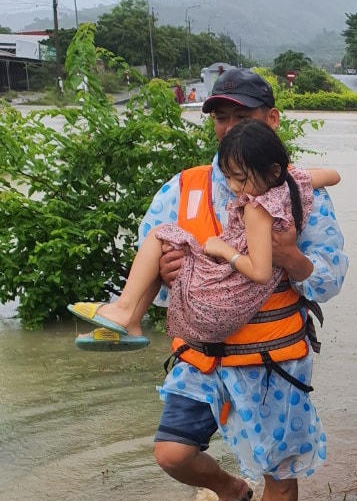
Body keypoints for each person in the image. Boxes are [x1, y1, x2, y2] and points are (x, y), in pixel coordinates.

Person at [81, 68, 347, 501]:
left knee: (280, 469)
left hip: (272, 359)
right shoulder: (181, 190)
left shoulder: (299, 194)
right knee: (172, 453)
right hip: (203, 355)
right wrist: (166, 277)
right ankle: (231, 490)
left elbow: (330, 279)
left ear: (272, 120)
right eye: (221, 117)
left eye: (241, 116)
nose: (228, 127)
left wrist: (291, 257)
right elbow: (154, 275)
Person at [67, 120, 338, 348]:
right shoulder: (294, 184)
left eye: (240, 179)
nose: (234, 187)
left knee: (161, 236)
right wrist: (292, 174)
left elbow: (261, 272)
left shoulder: (256, 208)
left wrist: (223, 249)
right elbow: (333, 175)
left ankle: (124, 309)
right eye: (228, 177)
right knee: (169, 245)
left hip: (215, 303)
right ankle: (130, 321)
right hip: (233, 304)